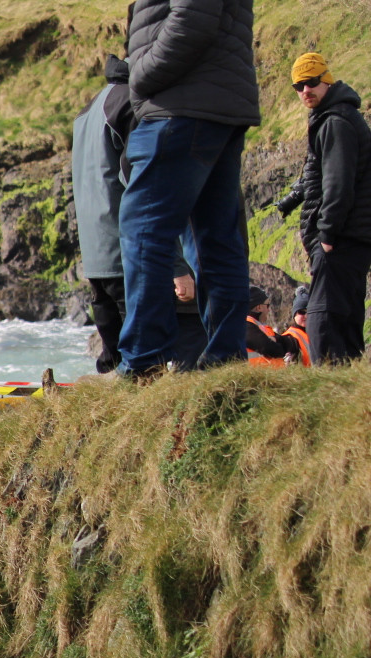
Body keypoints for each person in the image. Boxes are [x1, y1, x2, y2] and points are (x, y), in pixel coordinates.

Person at [117, 0, 260, 376]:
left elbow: (195, 15)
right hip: (216, 104)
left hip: (178, 105)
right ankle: (225, 361)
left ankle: (143, 360)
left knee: (144, 230)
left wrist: (140, 74)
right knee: (216, 237)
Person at [291, 53, 371, 362]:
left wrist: (326, 235)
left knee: (323, 317)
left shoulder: (335, 121)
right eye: (298, 86)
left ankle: (326, 380)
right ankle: (345, 379)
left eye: (311, 82)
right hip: (352, 236)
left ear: (327, 80)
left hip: (341, 238)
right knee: (345, 317)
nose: (305, 91)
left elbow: (338, 184)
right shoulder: (338, 116)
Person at [73, 55, 134, 372]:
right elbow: (134, 175)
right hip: (121, 236)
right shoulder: (128, 102)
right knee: (134, 333)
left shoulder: (88, 109)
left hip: (92, 240)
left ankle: (112, 377)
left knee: (110, 332)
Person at [245, 285, 298, 363]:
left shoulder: (259, 326)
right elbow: (269, 348)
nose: (269, 310)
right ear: (259, 308)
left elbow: (288, 342)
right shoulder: (245, 325)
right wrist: (280, 347)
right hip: (258, 371)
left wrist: (276, 340)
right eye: (267, 306)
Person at [282, 285, 314, 364]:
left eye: (309, 312)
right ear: (294, 315)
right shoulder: (289, 338)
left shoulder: (321, 333)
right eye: (302, 312)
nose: (306, 316)